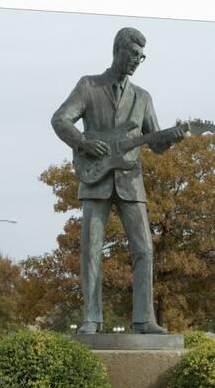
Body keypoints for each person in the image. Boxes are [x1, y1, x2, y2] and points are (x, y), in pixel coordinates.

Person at [51, 27, 184, 335]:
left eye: (141, 57)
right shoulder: (88, 86)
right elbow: (60, 119)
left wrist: (173, 137)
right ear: (117, 51)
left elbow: (156, 142)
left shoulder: (143, 97)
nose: (137, 61)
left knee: (144, 249)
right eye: (132, 54)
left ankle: (144, 319)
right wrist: (83, 143)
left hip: (131, 180)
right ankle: (92, 319)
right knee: (91, 248)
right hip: (95, 177)